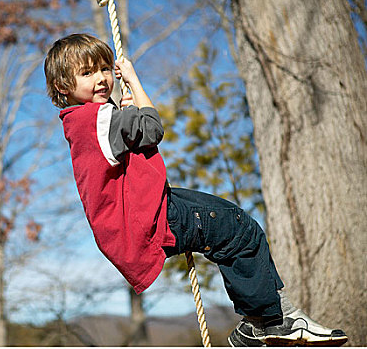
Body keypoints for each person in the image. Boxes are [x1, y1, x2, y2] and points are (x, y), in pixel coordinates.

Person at [44, 33, 348, 347]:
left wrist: (126, 111)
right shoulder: (97, 120)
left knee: (235, 228)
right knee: (239, 229)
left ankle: (265, 321)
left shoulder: (81, 123)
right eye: (88, 72)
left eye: (105, 68)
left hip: (144, 214)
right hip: (150, 218)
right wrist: (133, 81)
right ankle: (269, 322)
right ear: (63, 86)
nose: (102, 78)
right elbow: (152, 129)